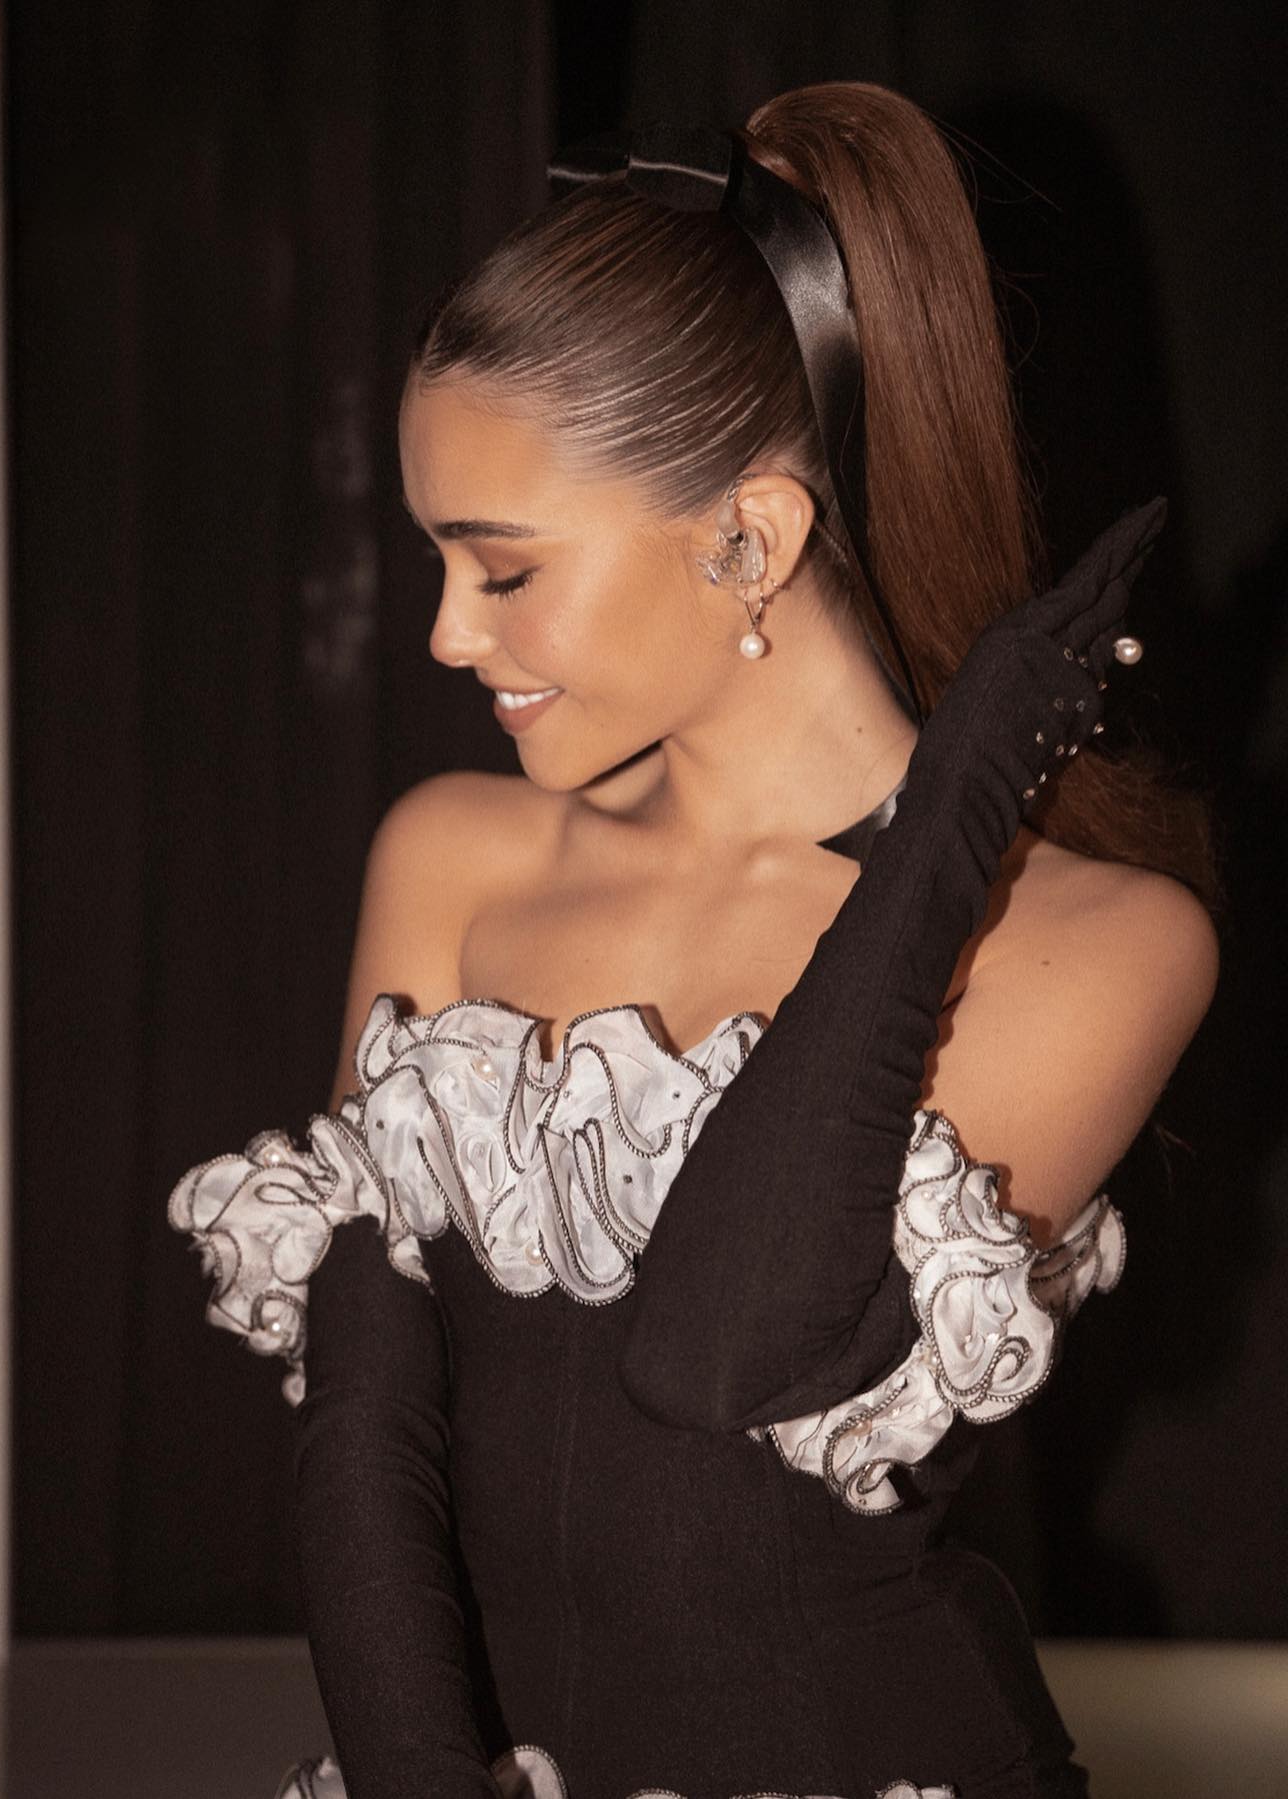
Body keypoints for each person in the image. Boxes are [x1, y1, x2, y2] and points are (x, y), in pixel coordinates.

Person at [169, 81, 1221, 1799]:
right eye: (438, 563)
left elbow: (727, 1349)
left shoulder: (1100, 942)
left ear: (751, 536)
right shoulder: (454, 857)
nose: (445, 636)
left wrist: (948, 826)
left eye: (503, 572)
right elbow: (366, 1421)